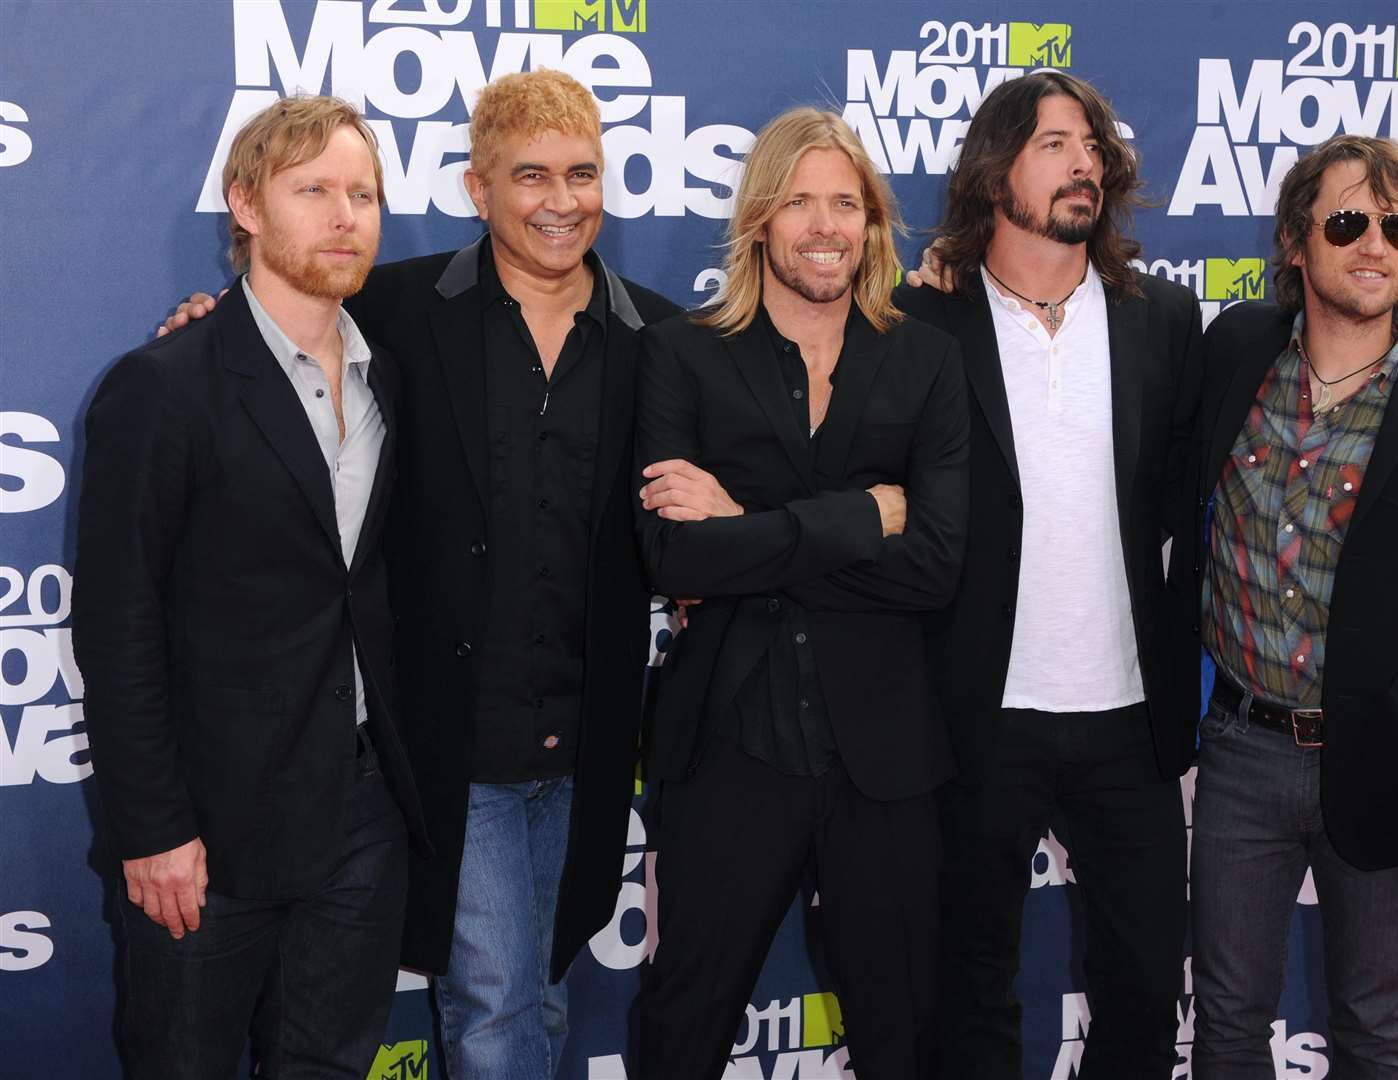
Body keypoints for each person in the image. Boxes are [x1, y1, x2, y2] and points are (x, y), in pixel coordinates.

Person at [159, 70, 679, 1079]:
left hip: (589, 740)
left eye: (583, 173)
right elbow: (270, 343)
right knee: (492, 1005)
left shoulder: (662, 337)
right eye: (529, 175)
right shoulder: (392, 308)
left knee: (540, 990)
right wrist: (205, 326)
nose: (561, 200)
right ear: (478, 189)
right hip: (449, 744)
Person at [75, 94, 429, 1078]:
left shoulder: (388, 379)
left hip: (361, 814)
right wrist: (154, 830)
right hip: (208, 832)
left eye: (361, 193)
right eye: (312, 189)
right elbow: (118, 626)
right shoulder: (164, 386)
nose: (344, 214)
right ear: (244, 203)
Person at [628, 106, 969, 1080]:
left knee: (902, 1037)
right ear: (760, 221)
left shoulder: (924, 360)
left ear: (871, 223)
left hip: (888, 755)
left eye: (845, 204)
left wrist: (744, 519)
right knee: (682, 1027)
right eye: (799, 202)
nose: (824, 225)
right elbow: (673, 558)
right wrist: (861, 517)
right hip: (729, 743)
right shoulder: (683, 355)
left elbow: (938, 565)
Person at [894, 71, 1204, 1078]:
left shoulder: (1162, 319)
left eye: (1094, 147)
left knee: (1143, 994)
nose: (1086, 164)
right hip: (978, 714)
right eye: (1056, 145)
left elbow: (1184, 499)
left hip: (1130, 716)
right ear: (996, 175)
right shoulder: (920, 322)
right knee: (967, 993)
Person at [1191, 134, 1398, 1078]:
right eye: (1347, 221)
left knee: (1375, 1025)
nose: (1375, 243)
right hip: (1241, 753)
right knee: (1226, 1022)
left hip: (1383, 760)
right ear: (1297, 242)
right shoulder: (1234, 353)